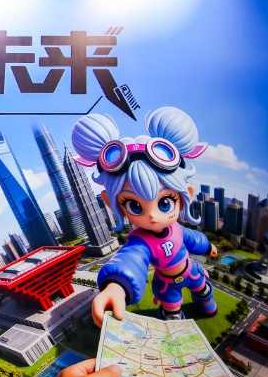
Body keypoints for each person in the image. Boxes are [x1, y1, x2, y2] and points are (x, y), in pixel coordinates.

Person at [70, 106, 218, 324]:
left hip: (191, 270)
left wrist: (207, 246)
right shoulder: (141, 241)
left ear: (187, 194)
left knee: (204, 291)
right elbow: (130, 259)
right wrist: (117, 286)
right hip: (167, 283)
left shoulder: (177, 229)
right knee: (173, 312)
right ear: (112, 203)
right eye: (135, 206)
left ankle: (207, 306)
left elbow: (193, 239)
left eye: (165, 203)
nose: (153, 216)